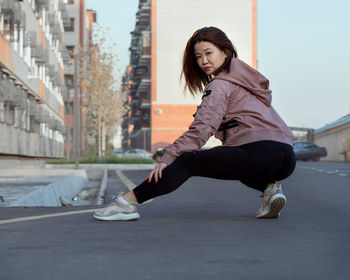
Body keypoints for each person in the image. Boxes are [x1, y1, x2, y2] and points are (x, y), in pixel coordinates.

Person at [93, 26, 296, 221]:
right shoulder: (247, 83)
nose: (203, 61)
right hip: (286, 157)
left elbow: (202, 129)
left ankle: (125, 203)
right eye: (198, 56)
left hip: (258, 153)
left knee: (188, 161)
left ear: (225, 52)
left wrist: (169, 156)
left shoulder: (220, 85)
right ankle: (270, 190)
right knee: (236, 162)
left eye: (209, 53)